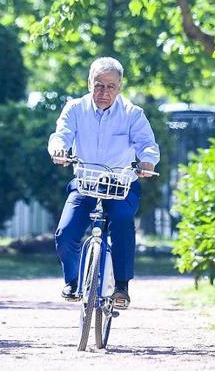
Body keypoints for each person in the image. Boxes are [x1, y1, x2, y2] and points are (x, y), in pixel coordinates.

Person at [48, 56, 159, 309]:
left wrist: (147, 162)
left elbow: (147, 145)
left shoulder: (133, 114)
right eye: (98, 85)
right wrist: (58, 150)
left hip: (121, 185)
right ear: (89, 83)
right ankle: (73, 281)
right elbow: (61, 134)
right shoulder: (75, 109)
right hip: (85, 183)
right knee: (65, 233)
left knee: (121, 221)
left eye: (110, 86)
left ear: (119, 87)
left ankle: (121, 286)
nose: (104, 92)